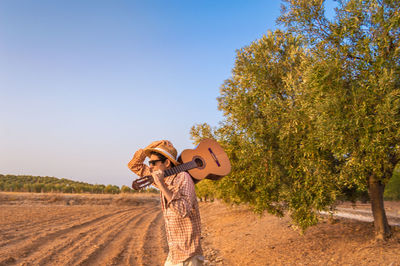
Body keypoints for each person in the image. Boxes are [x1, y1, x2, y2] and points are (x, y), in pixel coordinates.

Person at [128, 140, 204, 266]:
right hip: (175, 254)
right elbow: (134, 165)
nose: (150, 166)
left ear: (167, 163)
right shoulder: (162, 178)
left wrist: (161, 185)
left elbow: (183, 210)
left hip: (189, 256)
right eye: (149, 162)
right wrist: (153, 145)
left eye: (153, 162)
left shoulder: (183, 177)